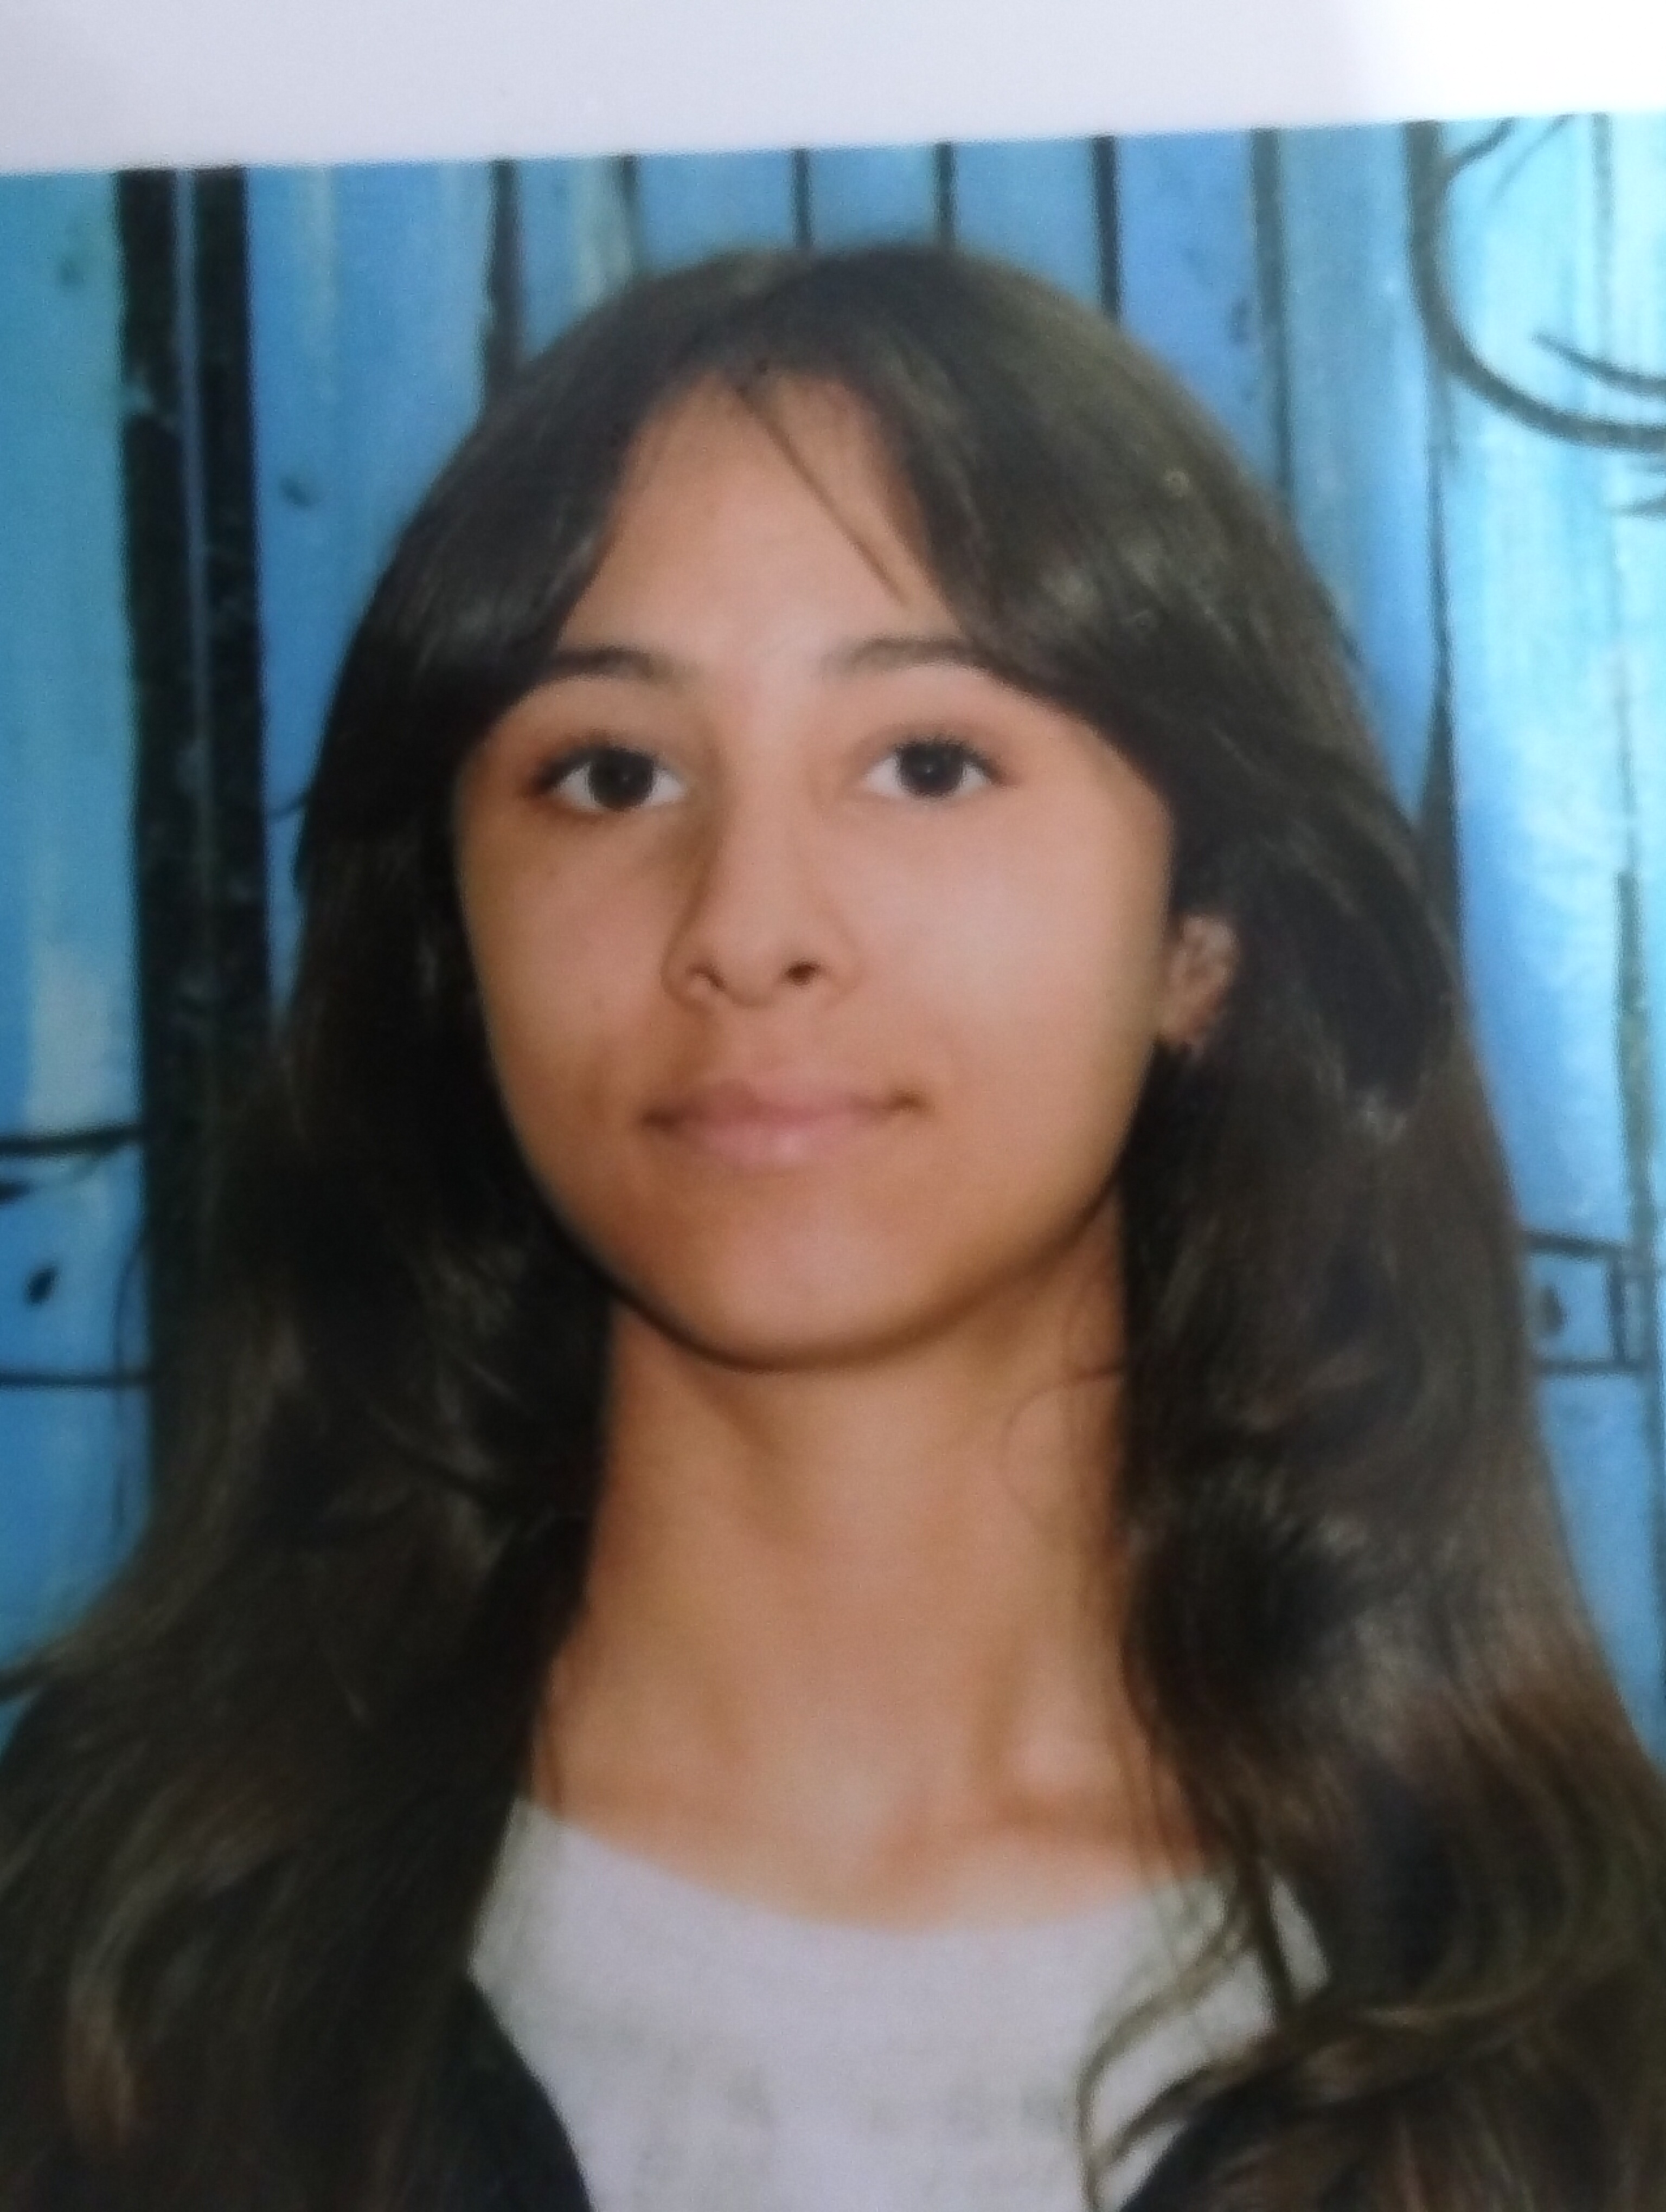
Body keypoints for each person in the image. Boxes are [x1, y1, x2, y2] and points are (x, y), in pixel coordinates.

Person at [1, 243, 1664, 2212]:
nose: (746, 925)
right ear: (456, 942)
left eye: (928, 763)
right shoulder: (92, 1946)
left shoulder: (1586, 2037)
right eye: (610, 774)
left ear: (1203, 940)